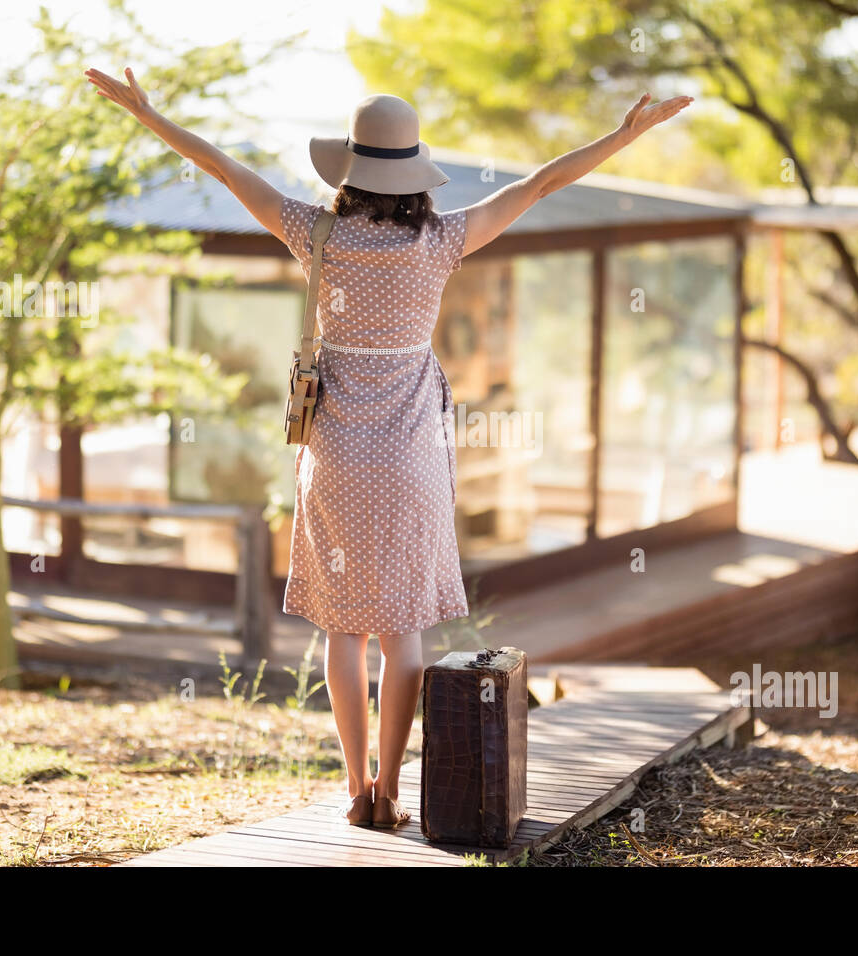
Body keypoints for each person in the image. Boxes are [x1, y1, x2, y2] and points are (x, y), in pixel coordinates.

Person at [84, 67, 692, 828]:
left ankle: (353, 789)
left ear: (349, 168)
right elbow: (538, 185)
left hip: (334, 456)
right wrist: (625, 135)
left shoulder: (315, 234)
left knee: (343, 631)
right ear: (413, 171)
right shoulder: (441, 242)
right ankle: (392, 795)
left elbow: (221, 165)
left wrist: (148, 113)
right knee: (402, 631)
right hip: (409, 460)